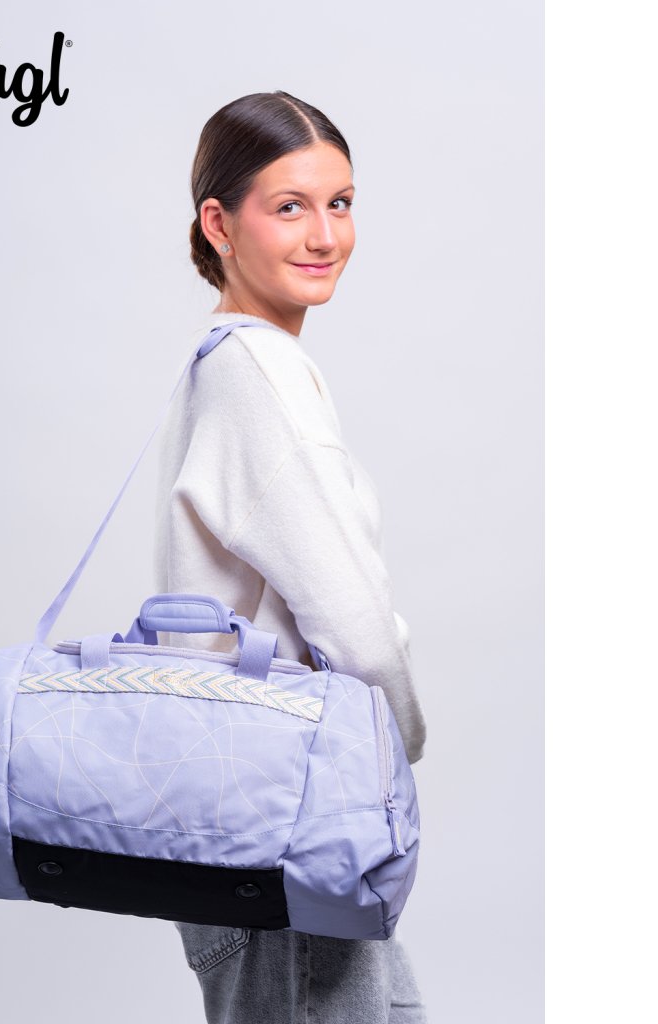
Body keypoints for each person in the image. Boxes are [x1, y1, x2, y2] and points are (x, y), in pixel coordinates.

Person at [152, 91, 429, 1023]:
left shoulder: (220, 361)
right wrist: (400, 748)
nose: (324, 235)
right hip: (286, 820)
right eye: (289, 206)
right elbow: (355, 626)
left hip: (234, 815)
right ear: (219, 224)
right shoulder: (261, 373)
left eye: (339, 203)